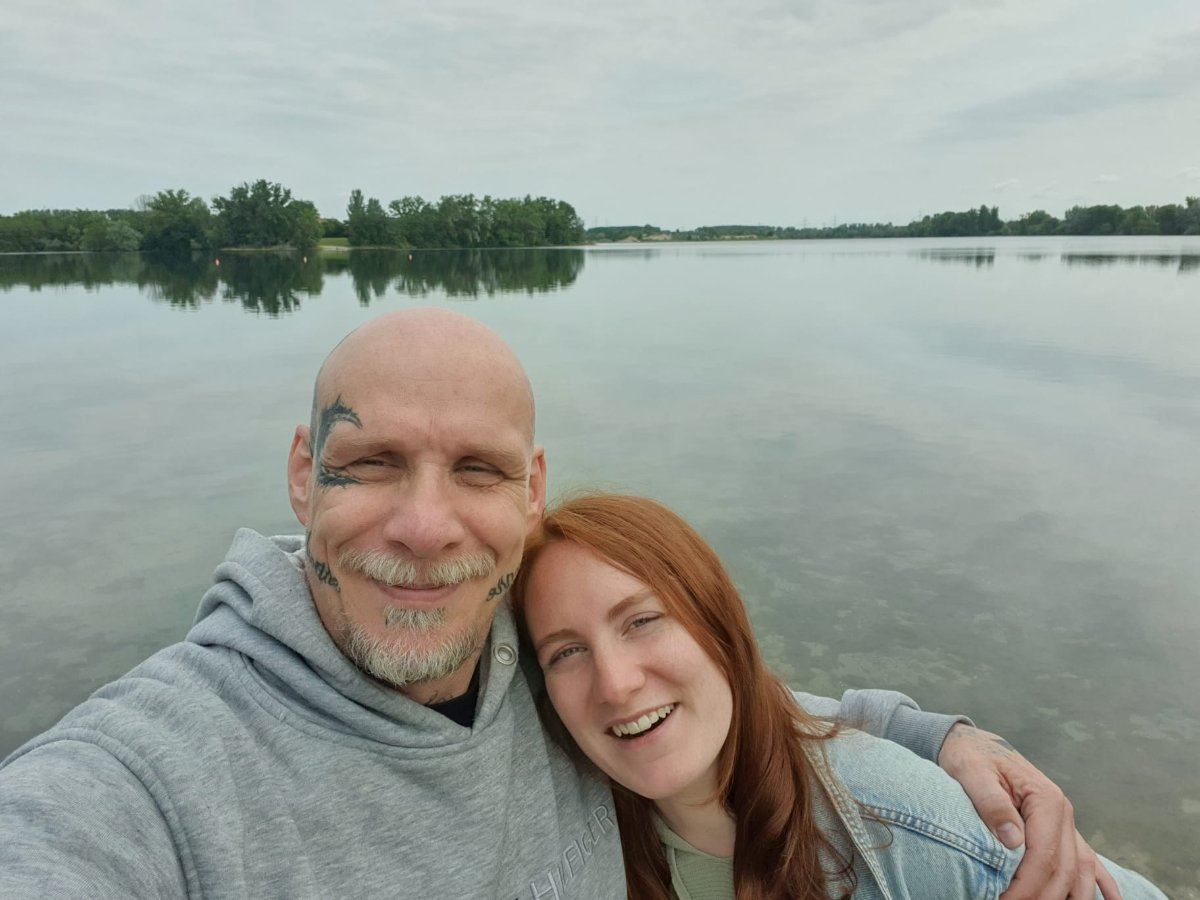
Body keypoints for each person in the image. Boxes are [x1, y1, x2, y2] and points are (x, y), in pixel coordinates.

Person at [0, 309, 1116, 898]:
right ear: (304, 474)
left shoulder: (529, 653)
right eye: (372, 462)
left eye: (477, 471)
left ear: (531, 491)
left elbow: (717, 697)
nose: (426, 529)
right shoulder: (153, 777)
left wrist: (935, 735)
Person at [512, 493, 1166, 900]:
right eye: (566, 653)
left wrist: (939, 739)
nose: (616, 683)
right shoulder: (588, 821)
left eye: (642, 620)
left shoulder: (911, 829)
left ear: (720, 627)